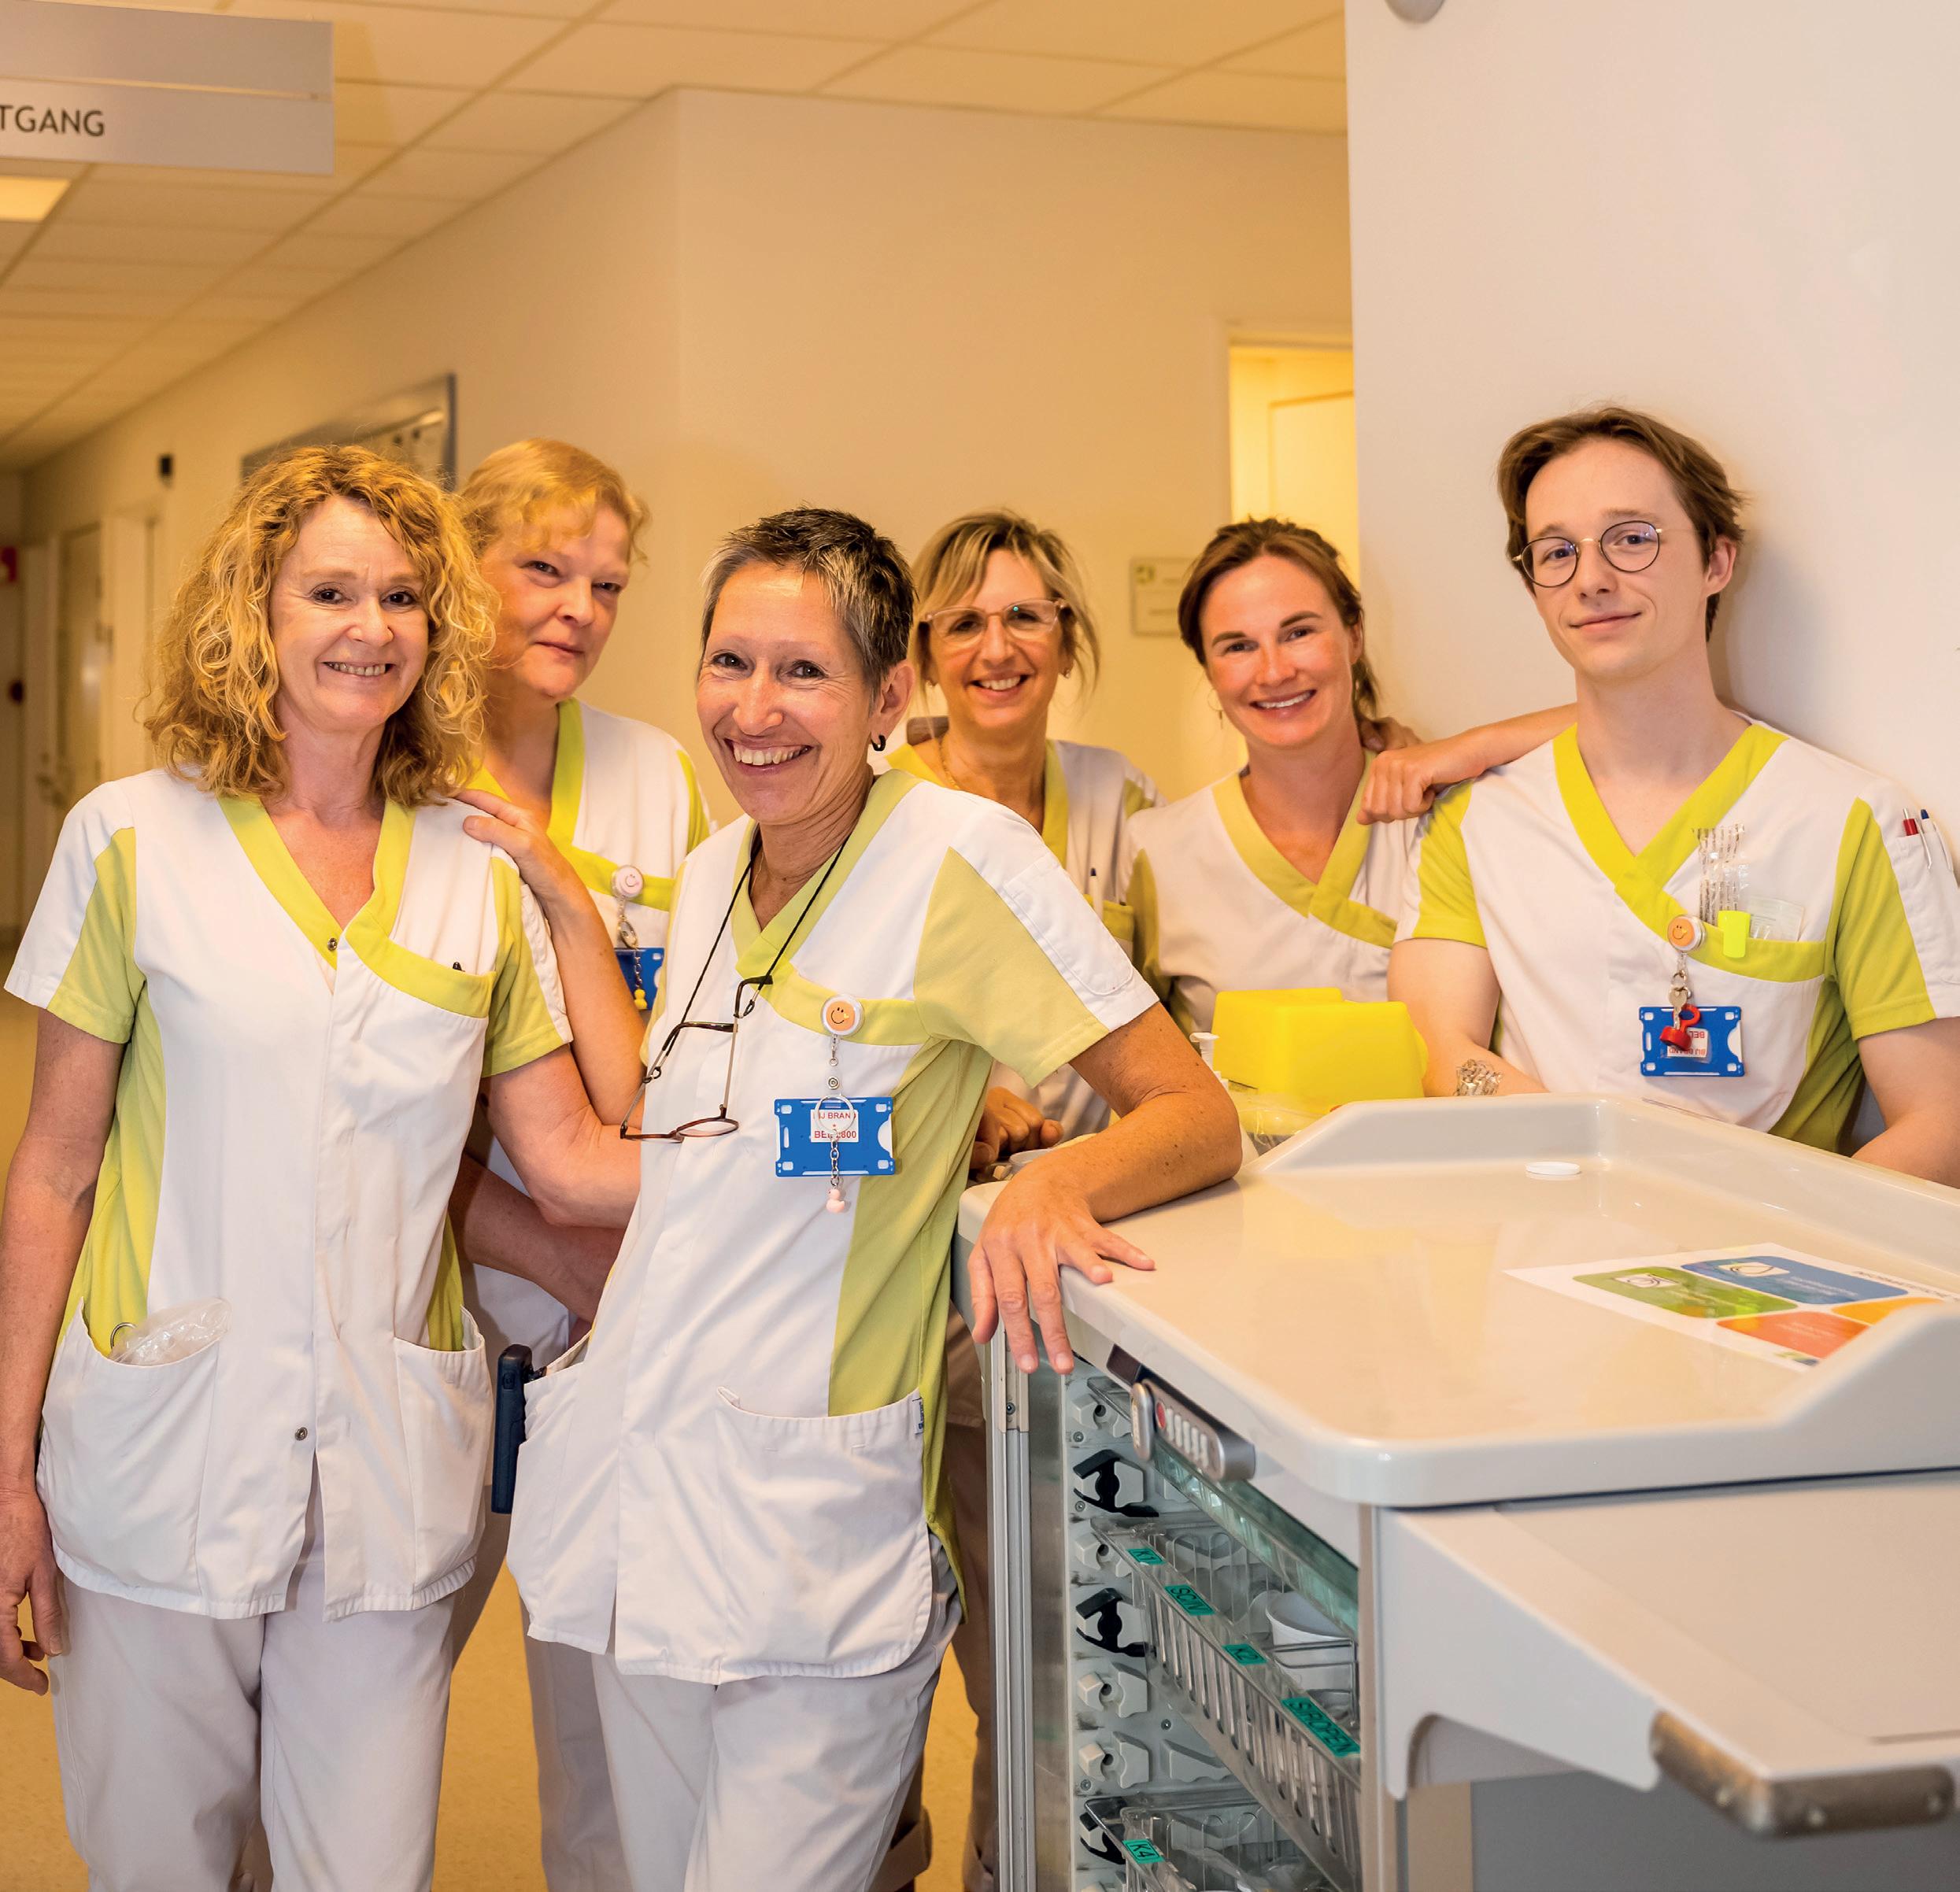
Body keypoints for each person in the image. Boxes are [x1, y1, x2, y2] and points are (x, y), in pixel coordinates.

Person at [464, 506, 1241, 1892]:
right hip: (649, 1492)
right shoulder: (715, 867)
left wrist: (1052, 1183)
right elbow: (671, 1129)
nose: (753, 709)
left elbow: (1191, 1110)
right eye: (728, 662)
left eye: (803, 673)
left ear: (890, 699)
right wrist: (567, 901)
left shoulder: (960, 858)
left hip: (811, 1530)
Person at [0, 446, 638, 1891]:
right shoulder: (130, 838)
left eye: (404, 596)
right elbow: (52, 1172)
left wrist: (813, 1168)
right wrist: (9, 1475)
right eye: (331, 592)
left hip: (387, 1474)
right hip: (163, 1446)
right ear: (257, 611)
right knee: (157, 1861)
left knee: (367, 1867)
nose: (372, 627)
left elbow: (571, 1156)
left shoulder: (473, 865)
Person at [1389, 405, 1960, 1181]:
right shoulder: (1477, 819)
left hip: (1758, 1249)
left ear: (1716, 562)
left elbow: (1940, 1125)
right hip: (1530, 1232)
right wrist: (1592, 1175)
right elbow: (1439, 1050)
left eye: (1632, 538)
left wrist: (1746, 1227)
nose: (1592, 579)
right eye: (1557, 552)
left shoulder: (1856, 823)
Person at [444, 439, 709, 1892]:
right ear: (460, 563)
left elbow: (687, 1040)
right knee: (353, 1710)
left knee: (609, 1726)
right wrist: (542, 1244)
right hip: (436, 1302)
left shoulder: (657, 777)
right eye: (543, 568)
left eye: (607, 584)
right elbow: (351, 1116)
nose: (579, 608)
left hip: (618, 1320)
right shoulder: (391, 771)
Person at [882, 508, 1157, 1892]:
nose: (997, 647)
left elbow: (1150, 1022)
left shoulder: (1116, 799)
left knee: (1036, 1640)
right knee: (876, 1639)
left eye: (1026, 617)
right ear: (923, 651)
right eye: (965, 622)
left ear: (1067, 640)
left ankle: (1010, 1865)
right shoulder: (874, 796)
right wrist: (966, 1095)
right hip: (900, 1260)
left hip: (1060, 1261)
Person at [1118, 519, 1566, 1037]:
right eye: (1237, 647)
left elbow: (1624, 727)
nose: (1274, 672)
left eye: (1299, 633)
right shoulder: (1158, 851)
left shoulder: (1449, 816)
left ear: (1355, 636)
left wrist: (1470, 748)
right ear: (1209, 671)